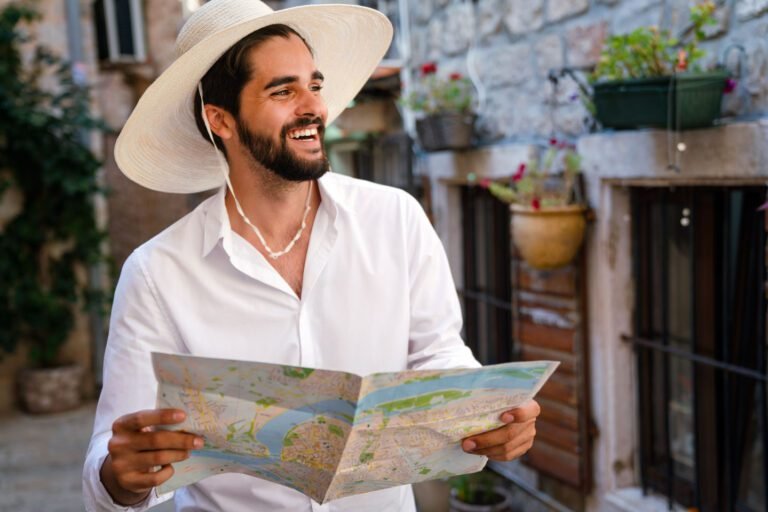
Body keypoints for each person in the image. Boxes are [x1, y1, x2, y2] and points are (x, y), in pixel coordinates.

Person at [82, 0, 541, 510]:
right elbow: (110, 456)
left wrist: (487, 413)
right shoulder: (157, 273)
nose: (314, 107)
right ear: (221, 120)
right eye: (283, 91)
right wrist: (123, 475)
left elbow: (438, 355)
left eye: (315, 85)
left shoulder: (396, 218)